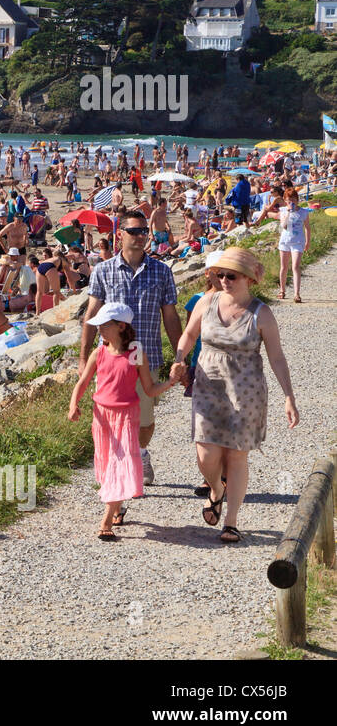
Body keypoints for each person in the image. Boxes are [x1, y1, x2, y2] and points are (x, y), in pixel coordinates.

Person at [173, 248, 298, 544]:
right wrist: (179, 357)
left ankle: (231, 521)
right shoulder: (207, 301)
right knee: (205, 452)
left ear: (248, 279)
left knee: (237, 455)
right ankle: (216, 489)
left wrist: (289, 396)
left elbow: (277, 358)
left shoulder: (261, 313)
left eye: (231, 276)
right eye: (220, 275)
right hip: (208, 384)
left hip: (246, 390)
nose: (224, 280)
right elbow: (190, 335)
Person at [82, 210, 181, 486]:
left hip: (145, 357)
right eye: (133, 231)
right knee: (114, 420)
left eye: (143, 232)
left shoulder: (161, 272)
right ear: (119, 234)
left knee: (145, 422)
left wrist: (181, 357)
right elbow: (91, 315)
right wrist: (83, 360)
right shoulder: (103, 270)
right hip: (112, 359)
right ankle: (119, 477)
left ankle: (140, 451)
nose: (139, 237)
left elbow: (170, 317)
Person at [70, 303, 183, 540]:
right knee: (104, 463)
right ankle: (116, 505)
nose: (99, 329)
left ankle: (106, 520)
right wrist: (74, 404)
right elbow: (82, 383)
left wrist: (172, 381)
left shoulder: (136, 354)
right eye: (98, 325)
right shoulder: (98, 352)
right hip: (101, 415)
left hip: (126, 417)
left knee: (118, 463)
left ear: (121, 326)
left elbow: (150, 390)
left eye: (104, 325)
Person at [257, 186, 310, 302]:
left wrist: (307, 242)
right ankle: (282, 290)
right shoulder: (283, 211)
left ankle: (297, 293)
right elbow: (284, 226)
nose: (292, 202)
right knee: (284, 267)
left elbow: (307, 228)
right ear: (285, 201)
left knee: (295, 266)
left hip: (298, 241)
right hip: (285, 241)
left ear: (297, 199)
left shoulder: (303, 212)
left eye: (294, 200)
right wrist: (289, 212)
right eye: (289, 200)